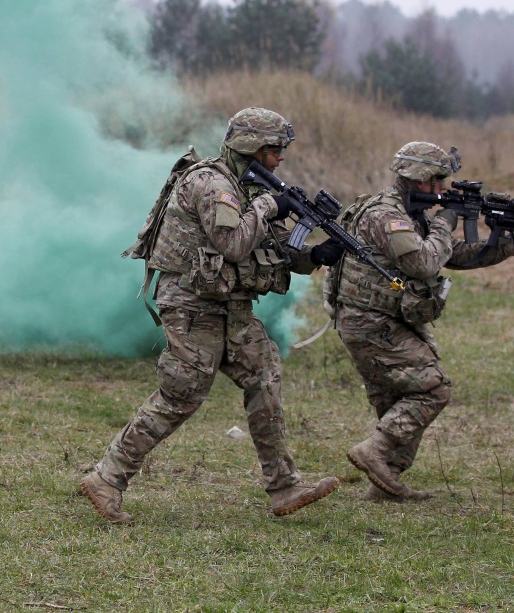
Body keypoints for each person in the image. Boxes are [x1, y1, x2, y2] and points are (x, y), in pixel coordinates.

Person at [81, 107, 343, 523]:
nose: (280, 159)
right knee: (181, 394)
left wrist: (313, 255)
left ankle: (284, 486)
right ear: (251, 147)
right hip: (190, 303)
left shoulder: (245, 187)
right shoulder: (212, 183)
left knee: (264, 374)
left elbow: (265, 246)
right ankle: (107, 478)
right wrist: (269, 207)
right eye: (274, 150)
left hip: (226, 302)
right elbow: (235, 244)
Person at [329, 141, 514, 501]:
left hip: (388, 317)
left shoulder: (416, 213)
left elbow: (450, 255)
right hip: (369, 320)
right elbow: (424, 263)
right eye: (436, 180)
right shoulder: (386, 214)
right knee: (432, 388)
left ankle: (385, 482)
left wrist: (509, 245)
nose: (441, 188)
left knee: (398, 399)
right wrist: (445, 222)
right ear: (417, 177)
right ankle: (374, 450)